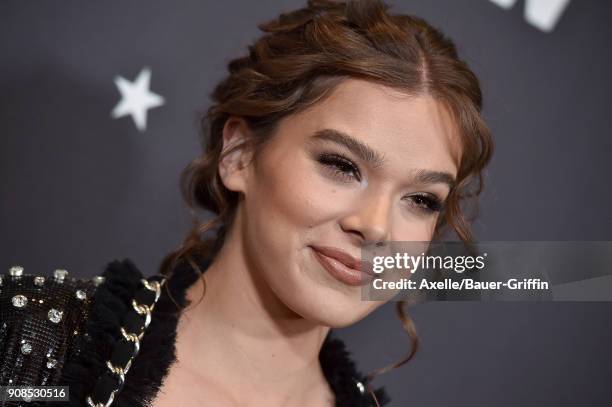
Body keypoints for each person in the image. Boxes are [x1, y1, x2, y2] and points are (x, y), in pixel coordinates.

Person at [0, 0, 493, 406]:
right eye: (342, 166)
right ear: (239, 155)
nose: (376, 226)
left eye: (422, 199)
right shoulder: (35, 336)